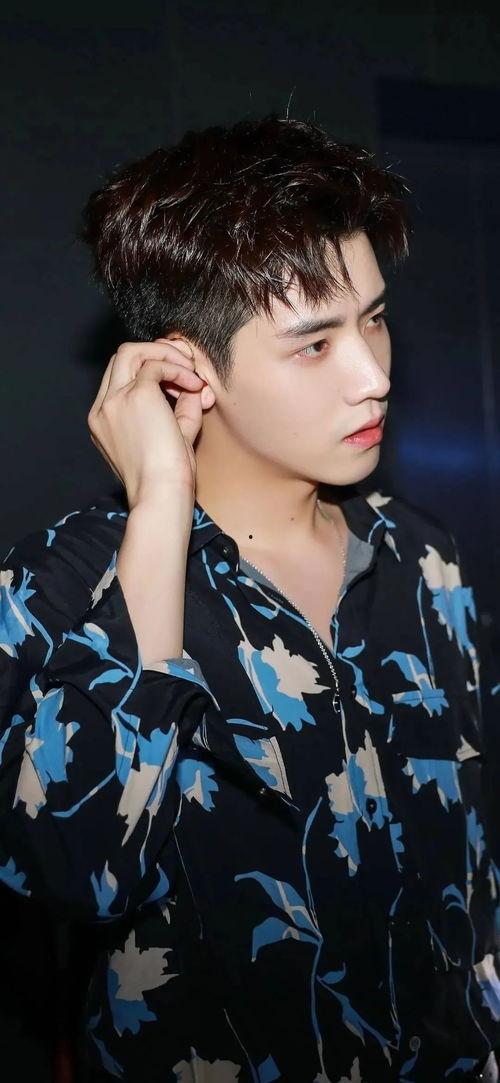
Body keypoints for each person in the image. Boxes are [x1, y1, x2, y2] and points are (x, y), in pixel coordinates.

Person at [0, 115, 498, 1083]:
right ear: (187, 366)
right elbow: (72, 870)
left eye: (374, 318)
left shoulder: (423, 556)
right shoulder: (56, 586)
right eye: (314, 344)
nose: (372, 376)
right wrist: (160, 502)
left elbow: (468, 864)